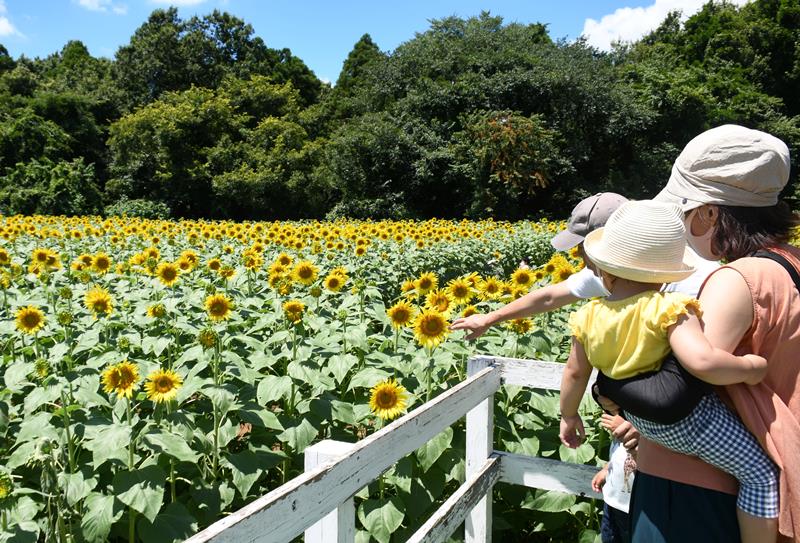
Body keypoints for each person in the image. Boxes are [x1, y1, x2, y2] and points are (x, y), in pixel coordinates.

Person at [605, 124, 800, 543]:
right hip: (766, 473)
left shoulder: (738, 280)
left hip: (692, 489)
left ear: (710, 213)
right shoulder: (790, 265)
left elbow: (675, 392)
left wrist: (606, 385)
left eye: (686, 213)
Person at [558, 200, 777, 543]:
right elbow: (703, 362)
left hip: (643, 425)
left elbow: (574, 373)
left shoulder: (587, 316)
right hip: (689, 423)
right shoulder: (669, 308)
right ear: (665, 276)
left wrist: (568, 416)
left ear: (607, 271)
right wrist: (749, 368)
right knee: (760, 476)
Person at [451, 192, 628, 340]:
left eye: (583, 246)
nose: (579, 254)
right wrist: (489, 318)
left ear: (605, 244)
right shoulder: (604, 276)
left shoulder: (654, 279)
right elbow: (548, 297)